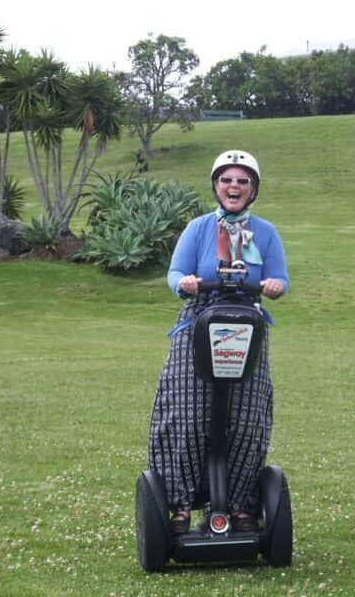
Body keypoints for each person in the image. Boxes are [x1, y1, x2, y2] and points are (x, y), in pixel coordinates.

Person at [147, 149, 289, 534]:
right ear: (215, 186)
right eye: (227, 180)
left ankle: (241, 505)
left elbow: (281, 277)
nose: (234, 186)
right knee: (187, 412)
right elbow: (176, 272)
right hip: (199, 319)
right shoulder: (197, 229)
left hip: (247, 322)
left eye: (243, 181)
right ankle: (178, 504)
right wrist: (184, 282)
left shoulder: (266, 232)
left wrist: (274, 286)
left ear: (253, 189)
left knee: (247, 416)